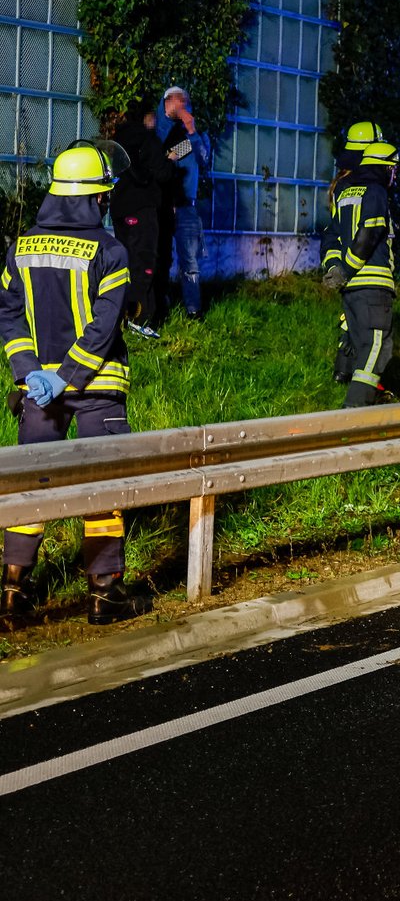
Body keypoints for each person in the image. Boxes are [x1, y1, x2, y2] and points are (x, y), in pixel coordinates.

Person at [1, 141, 152, 626]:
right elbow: (105, 327)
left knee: (31, 489)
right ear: (93, 199)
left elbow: (8, 316)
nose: (106, 204)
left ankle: (12, 591)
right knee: (101, 486)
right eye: (103, 197)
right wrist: (67, 377)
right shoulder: (110, 250)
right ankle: (105, 594)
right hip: (96, 389)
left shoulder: (20, 246)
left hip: (36, 392)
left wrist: (31, 375)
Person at [323, 139, 400, 407]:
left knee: (362, 345)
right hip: (373, 285)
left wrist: (335, 268)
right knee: (376, 350)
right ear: (384, 168)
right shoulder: (376, 191)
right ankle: (353, 412)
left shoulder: (345, 193)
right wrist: (348, 267)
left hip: (352, 290)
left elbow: (330, 236)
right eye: (394, 169)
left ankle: (363, 401)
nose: (395, 175)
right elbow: (370, 232)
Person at [109, 105, 179, 338]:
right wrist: (169, 159)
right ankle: (141, 320)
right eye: (153, 117)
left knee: (126, 264)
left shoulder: (117, 141)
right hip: (142, 209)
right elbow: (163, 174)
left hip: (120, 209)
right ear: (146, 117)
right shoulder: (147, 139)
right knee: (145, 263)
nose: (155, 122)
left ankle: (123, 317)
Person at [158, 86, 211, 321]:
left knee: (189, 261)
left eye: (186, 102)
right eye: (180, 101)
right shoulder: (157, 127)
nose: (184, 106)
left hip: (186, 207)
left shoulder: (191, 133)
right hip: (160, 205)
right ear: (167, 102)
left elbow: (203, 159)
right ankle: (159, 306)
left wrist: (191, 130)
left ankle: (193, 310)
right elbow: (160, 159)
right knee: (158, 257)